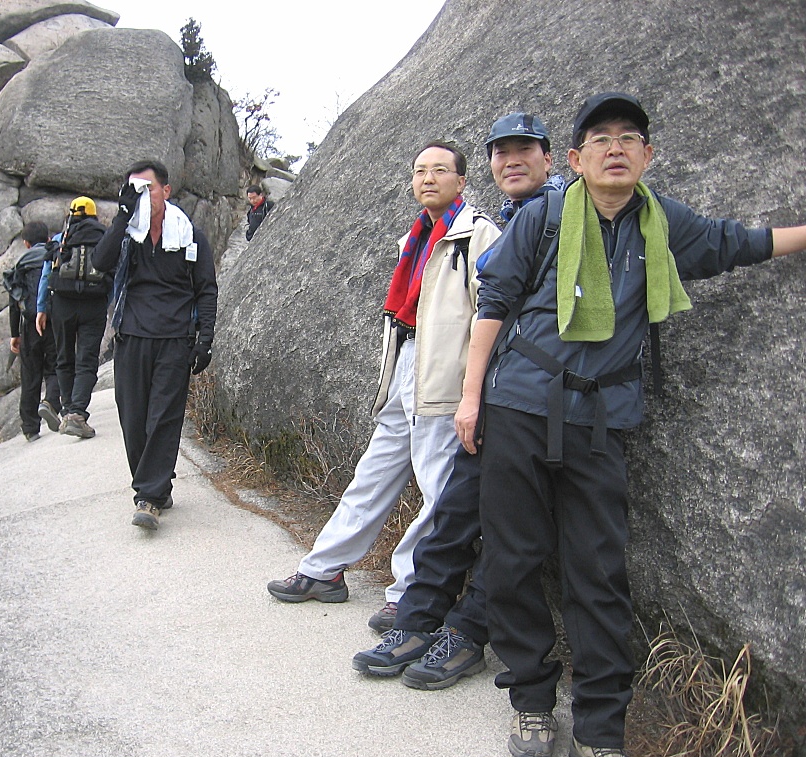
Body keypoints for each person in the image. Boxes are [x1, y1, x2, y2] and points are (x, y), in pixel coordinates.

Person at [458, 93, 806, 757]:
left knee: (598, 572)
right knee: (512, 559)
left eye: (629, 138)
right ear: (576, 158)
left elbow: (741, 243)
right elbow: (494, 303)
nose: (615, 148)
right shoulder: (545, 217)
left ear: (648, 155)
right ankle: (532, 698)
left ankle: (599, 728)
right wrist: (470, 399)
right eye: (600, 138)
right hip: (521, 406)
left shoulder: (662, 223)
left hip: (600, 420)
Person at [352, 113, 565, 688]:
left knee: (508, 530)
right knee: (452, 513)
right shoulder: (510, 220)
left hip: (531, 399)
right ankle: (416, 621)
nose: (512, 162)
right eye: (502, 152)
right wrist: (473, 394)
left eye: (525, 151)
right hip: (491, 391)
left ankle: (466, 633)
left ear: (552, 159)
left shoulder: (557, 217)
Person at [266, 141, 501, 631]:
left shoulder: (478, 234)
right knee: (373, 473)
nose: (428, 178)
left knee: (438, 487)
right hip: (407, 362)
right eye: (420, 171)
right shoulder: (415, 237)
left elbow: (490, 313)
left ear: (461, 181)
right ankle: (324, 569)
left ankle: (410, 591)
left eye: (440, 170)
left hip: (445, 372)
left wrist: (471, 388)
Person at [90, 160, 217, 531]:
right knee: (133, 419)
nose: (142, 196)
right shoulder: (128, 233)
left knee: (163, 417)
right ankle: (155, 485)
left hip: (175, 339)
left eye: (147, 188)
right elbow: (100, 262)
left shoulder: (190, 235)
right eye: (135, 189)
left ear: (166, 191)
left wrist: (205, 339)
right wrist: (122, 215)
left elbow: (206, 289)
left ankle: (149, 495)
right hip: (131, 336)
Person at [36, 197, 110, 439]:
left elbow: (47, 275)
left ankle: (67, 410)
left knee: (64, 358)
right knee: (87, 361)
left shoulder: (62, 239)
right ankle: (77, 413)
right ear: (94, 215)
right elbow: (115, 272)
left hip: (62, 303)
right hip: (94, 304)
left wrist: (41, 308)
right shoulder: (104, 237)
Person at [6, 220, 61, 441]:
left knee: (30, 375)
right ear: (48, 239)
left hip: (29, 325)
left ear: (26, 243)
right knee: (56, 367)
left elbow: (14, 301)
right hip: (54, 322)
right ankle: (51, 403)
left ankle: (30, 427)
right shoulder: (55, 257)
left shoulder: (21, 265)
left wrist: (15, 334)